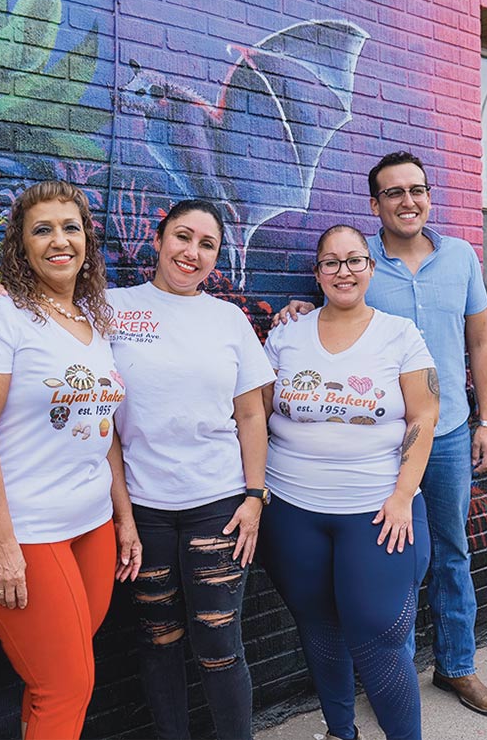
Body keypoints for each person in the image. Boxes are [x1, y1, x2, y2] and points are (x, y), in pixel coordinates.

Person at [274, 151, 487, 716]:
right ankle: (390, 675)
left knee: (451, 553)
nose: (409, 201)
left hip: (447, 430)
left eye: (417, 190)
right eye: (394, 192)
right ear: (375, 203)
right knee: (389, 557)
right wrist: (300, 310)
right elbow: (337, 314)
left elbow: (481, 342)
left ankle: (458, 666)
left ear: (429, 196)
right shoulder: (357, 259)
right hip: (376, 446)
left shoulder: (460, 257)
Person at [0, 181, 141, 739]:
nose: (60, 241)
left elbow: (102, 430)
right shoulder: (0, 315)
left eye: (71, 228)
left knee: (58, 676)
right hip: (21, 533)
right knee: (66, 686)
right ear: (21, 244)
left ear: (87, 239)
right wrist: (3, 548)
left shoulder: (92, 319)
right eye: (43, 229)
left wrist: (123, 517)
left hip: (91, 526)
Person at [259, 225, 438, 740]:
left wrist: (404, 495)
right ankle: (341, 731)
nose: (344, 271)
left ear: (370, 268)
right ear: (317, 273)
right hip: (293, 509)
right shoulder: (287, 333)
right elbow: (256, 410)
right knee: (318, 629)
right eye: (332, 262)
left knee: (378, 639)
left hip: (379, 512)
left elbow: (424, 415)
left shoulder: (399, 333)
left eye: (355, 260)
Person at [106, 199, 274, 740]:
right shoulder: (109, 308)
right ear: (158, 241)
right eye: (183, 237)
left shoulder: (228, 318)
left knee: (219, 643)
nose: (193, 252)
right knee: (158, 642)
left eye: (208, 245)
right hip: (144, 509)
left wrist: (253, 497)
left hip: (218, 507)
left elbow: (251, 413)